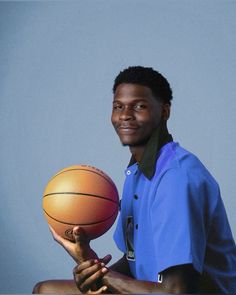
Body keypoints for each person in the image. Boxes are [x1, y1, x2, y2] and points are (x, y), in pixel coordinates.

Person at [33, 66, 236, 294]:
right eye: (118, 107)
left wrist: (105, 277)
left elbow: (176, 291)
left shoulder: (176, 178)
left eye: (139, 106)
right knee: (46, 290)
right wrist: (88, 262)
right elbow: (133, 263)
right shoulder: (136, 173)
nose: (125, 115)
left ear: (164, 111)